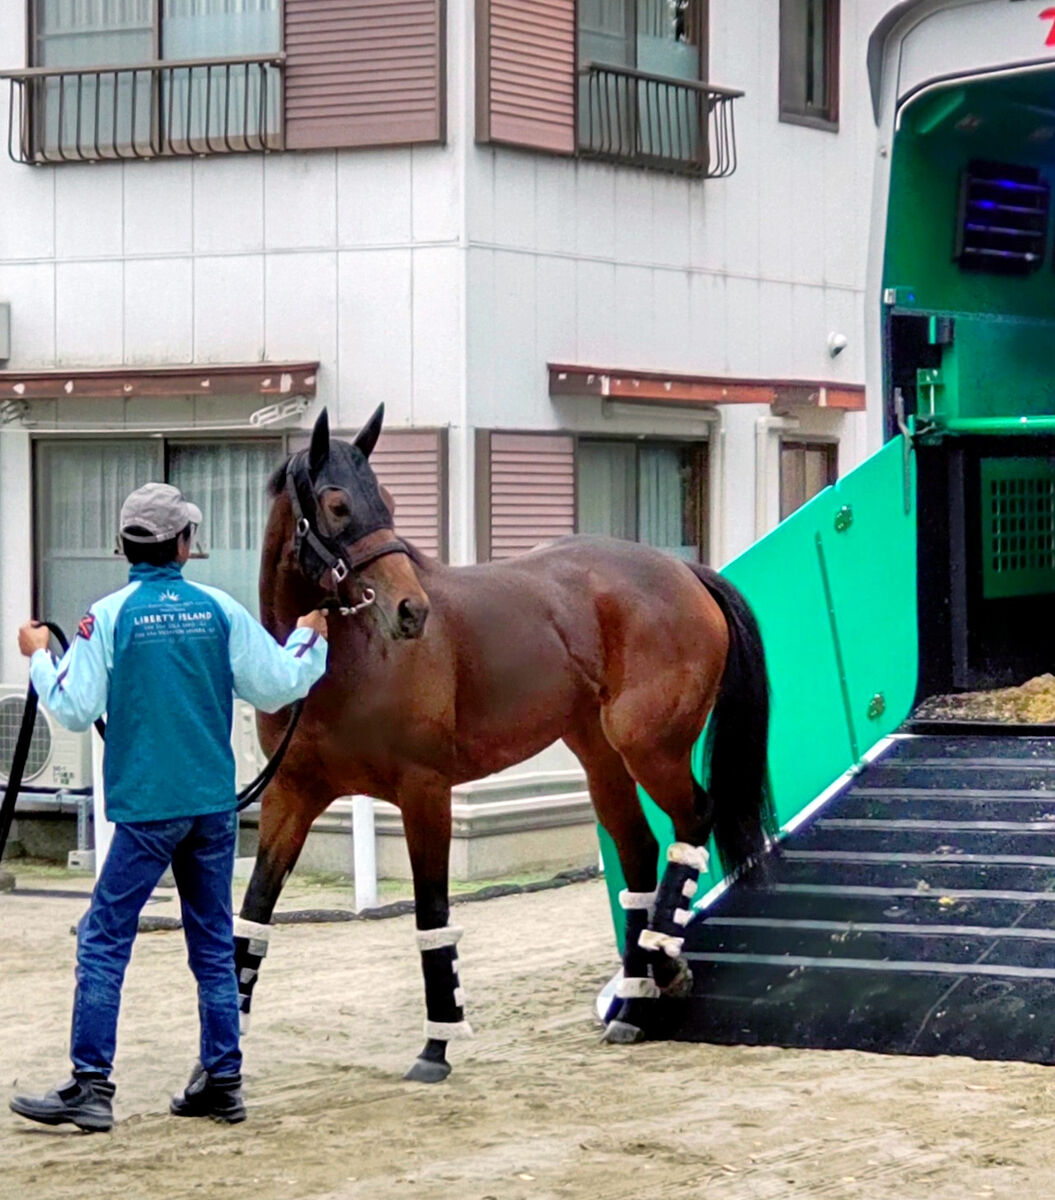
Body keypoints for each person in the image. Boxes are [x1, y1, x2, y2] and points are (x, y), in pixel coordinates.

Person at [9, 482, 328, 1133]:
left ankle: (91, 1086)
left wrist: (42, 657)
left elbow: (71, 707)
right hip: (211, 808)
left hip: (147, 810)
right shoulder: (218, 610)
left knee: (104, 938)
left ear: (123, 545)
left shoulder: (109, 616)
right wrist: (307, 640)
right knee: (212, 942)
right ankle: (222, 1079)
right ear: (185, 545)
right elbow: (279, 683)